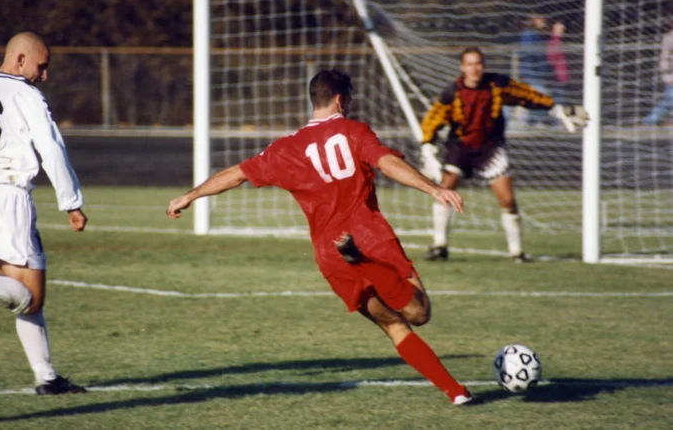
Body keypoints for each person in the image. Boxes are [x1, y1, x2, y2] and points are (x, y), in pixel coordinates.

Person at [167, 69, 473, 405]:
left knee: (394, 326)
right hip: (369, 237)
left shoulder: (286, 147)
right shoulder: (354, 131)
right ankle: (369, 266)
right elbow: (386, 162)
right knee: (419, 311)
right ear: (341, 99)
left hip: (331, 254)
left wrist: (190, 196)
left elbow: (236, 174)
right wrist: (433, 187)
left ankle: (456, 393)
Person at [0, 32, 89, 395]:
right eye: (42, 66)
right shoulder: (27, 96)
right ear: (20, 59)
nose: (44, 76)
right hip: (8, 198)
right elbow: (51, 149)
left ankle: (47, 378)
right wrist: (70, 201)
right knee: (31, 299)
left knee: (23, 297)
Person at [419, 47, 587, 262]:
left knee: (507, 199)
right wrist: (427, 145)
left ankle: (517, 252)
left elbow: (525, 94)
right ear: (462, 67)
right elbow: (434, 118)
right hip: (460, 148)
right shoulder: (452, 92)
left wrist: (555, 108)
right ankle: (439, 245)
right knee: (445, 189)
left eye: (478, 63)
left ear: (483, 65)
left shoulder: (497, 85)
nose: (474, 68)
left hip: (490, 148)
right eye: (469, 64)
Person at [518, 14, 554, 126]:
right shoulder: (529, 34)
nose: (544, 21)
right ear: (534, 21)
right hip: (533, 73)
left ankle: (532, 120)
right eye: (541, 19)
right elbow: (528, 52)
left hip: (537, 72)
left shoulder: (537, 35)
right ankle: (534, 120)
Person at [641, 25, 673, 126]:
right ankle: (648, 121)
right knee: (669, 100)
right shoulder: (669, 37)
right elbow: (664, 58)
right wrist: (668, 76)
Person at [546, 20, 571, 105]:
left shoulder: (560, 41)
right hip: (557, 77)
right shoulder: (554, 42)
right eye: (559, 28)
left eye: (562, 29)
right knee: (559, 101)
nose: (562, 30)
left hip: (562, 77)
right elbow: (551, 59)